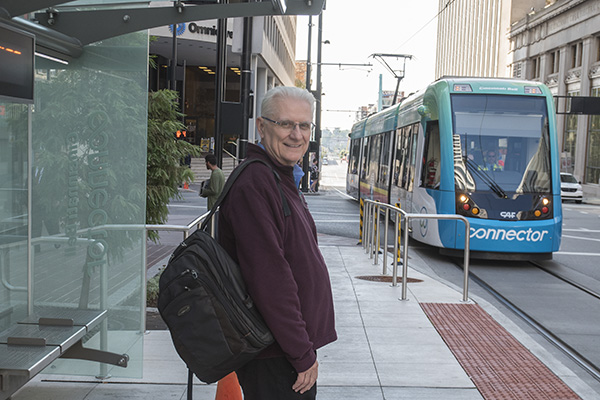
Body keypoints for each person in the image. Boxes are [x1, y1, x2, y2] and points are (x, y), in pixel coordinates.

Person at [218, 86, 337, 399]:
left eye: (304, 125)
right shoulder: (256, 184)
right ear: (261, 126)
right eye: (285, 124)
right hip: (274, 352)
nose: (296, 135)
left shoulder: (278, 176)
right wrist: (301, 353)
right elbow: (269, 278)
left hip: (282, 348)